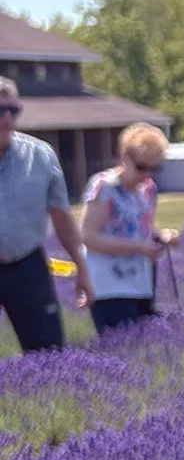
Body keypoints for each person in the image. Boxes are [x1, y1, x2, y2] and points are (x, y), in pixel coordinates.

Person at [0, 76, 93, 351]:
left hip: (27, 266)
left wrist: (82, 267)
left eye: (12, 110)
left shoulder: (40, 156)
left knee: (48, 354)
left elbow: (62, 217)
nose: (6, 117)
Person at [81, 123, 178, 335]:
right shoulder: (103, 187)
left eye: (155, 168)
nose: (148, 174)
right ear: (124, 157)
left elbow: (143, 232)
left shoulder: (149, 191)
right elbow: (88, 237)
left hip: (142, 285)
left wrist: (162, 237)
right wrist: (138, 247)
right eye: (142, 167)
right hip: (109, 288)